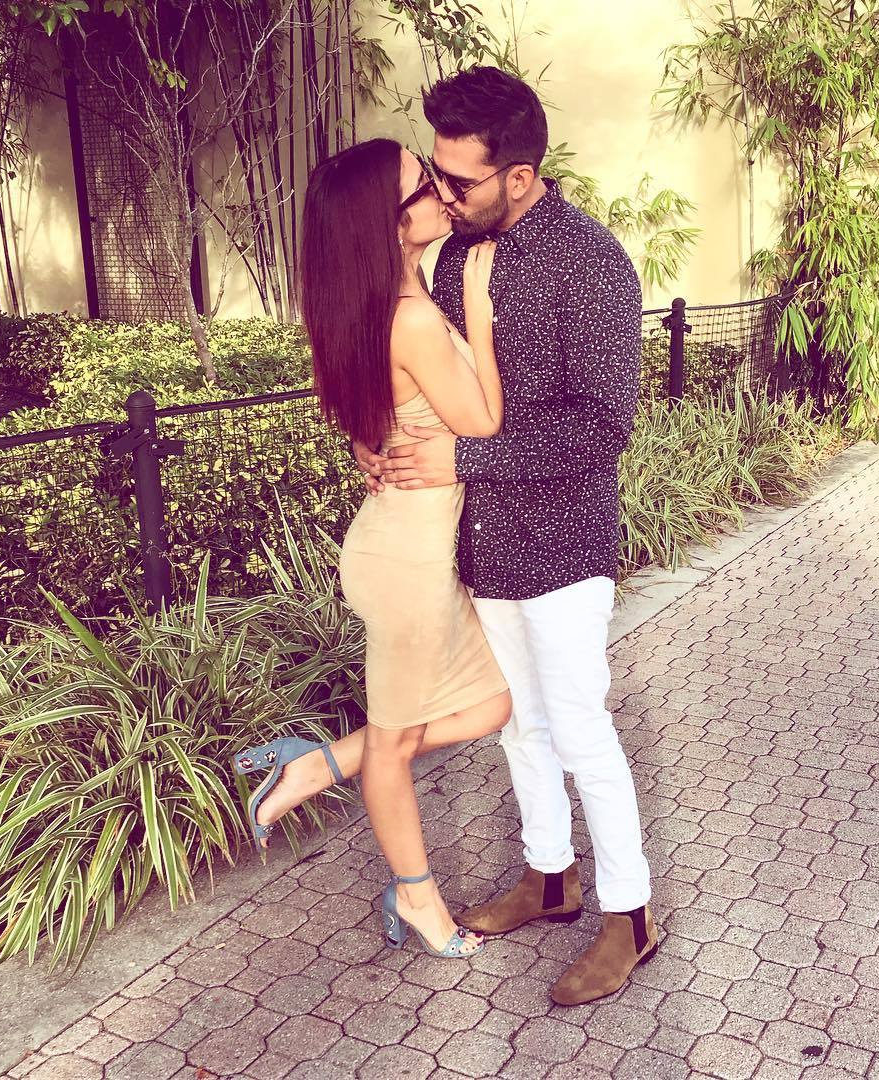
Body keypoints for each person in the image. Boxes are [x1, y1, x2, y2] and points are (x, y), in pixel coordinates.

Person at [355, 66, 656, 1006]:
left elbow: (602, 427)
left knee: (579, 727)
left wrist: (467, 458)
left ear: (519, 175)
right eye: (435, 173)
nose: (442, 195)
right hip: (481, 547)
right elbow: (429, 383)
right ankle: (549, 877)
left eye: (459, 180)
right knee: (520, 726)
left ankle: (630, 916)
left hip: (563, 545)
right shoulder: (451, 261)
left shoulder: (590, 263)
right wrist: (381, 439)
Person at [234, 137, 512, 961]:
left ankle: (317, 765)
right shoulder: (414, 316)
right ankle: (417, 899)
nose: (438, 189)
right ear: (389, 223)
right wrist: (482, 312)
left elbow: (374, 423)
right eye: (421, 183)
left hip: (402, 549)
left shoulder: (377, 308)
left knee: (492, 705)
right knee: (395, 745)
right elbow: (484, 423)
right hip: (407, 565)